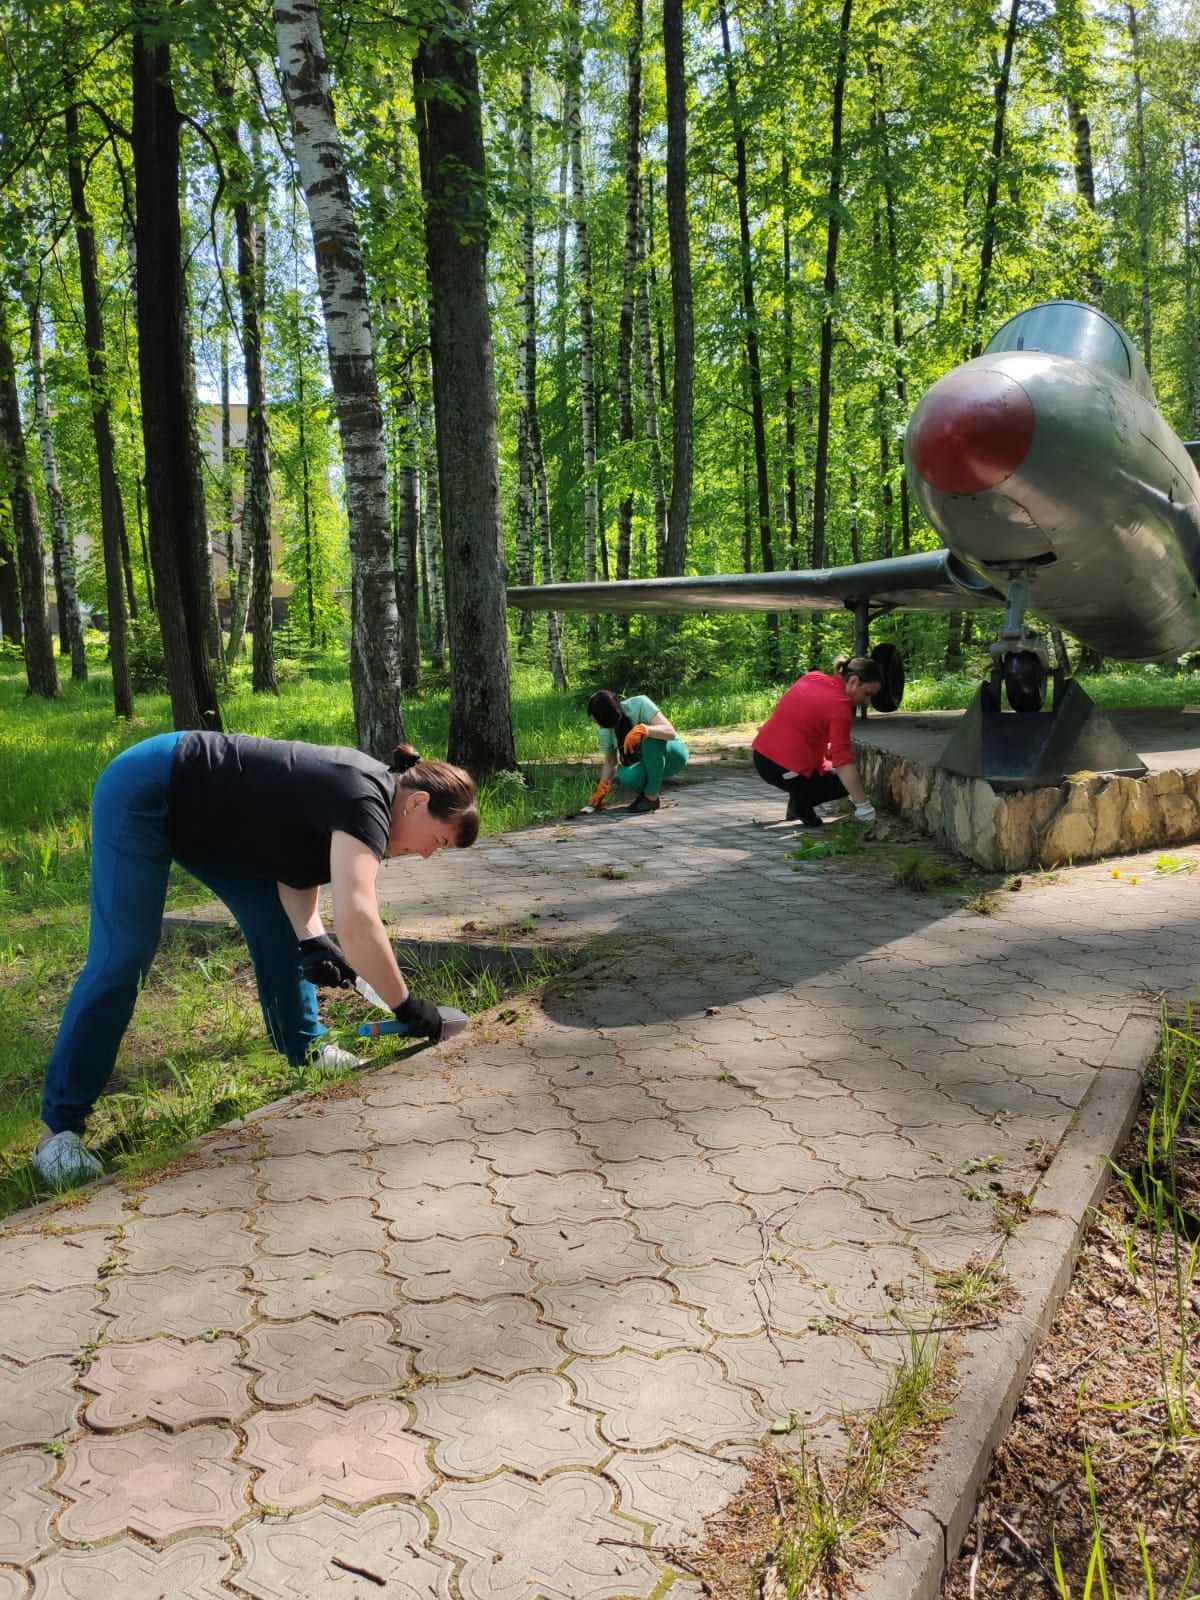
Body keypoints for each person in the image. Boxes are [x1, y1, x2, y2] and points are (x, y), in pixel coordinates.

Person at [32, 732, 478, 1189]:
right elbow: (359, 919)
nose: (426, 854)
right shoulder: (367, 801)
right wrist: (406, 1006)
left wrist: (312, 938)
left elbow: (294, 865)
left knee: (279, 929)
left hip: (208, 822)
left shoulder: (369, 798)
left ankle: (307, 1051)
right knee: (122, 958)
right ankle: (57, 1134)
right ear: (418, 802)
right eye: (438, 842)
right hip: (147, 786)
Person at [752, 655, 882, 827]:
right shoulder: (840, 707)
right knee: (842, 784)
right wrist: (864, 807)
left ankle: (798, 796)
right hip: (780, 767)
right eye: (867, 694)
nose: (867, 702)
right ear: (853, 681)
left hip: (761, 755)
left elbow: (808, 725)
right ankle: (801, 804)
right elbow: (843, 762)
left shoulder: (813, 677)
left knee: (829, 773)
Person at [586, 689, 689, 815]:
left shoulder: (640, 703)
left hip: (672, 755)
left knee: (650, 740)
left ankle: (651, 797)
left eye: (598, 722)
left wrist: (645, 729)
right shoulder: (605, 730)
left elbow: (670, 732)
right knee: (627, 777)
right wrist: (602, 788)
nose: (599, 726)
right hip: (649, 764)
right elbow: (611, 761)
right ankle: (646, 794)